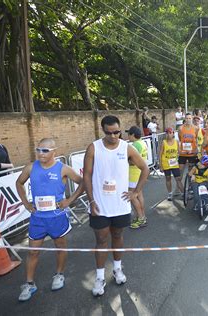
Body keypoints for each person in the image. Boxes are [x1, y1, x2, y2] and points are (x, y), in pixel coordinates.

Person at [83, 115, 149, 297]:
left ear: (121, 130)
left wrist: (135, 192)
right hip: (99, 205)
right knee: (102, 240)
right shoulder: (93, 148)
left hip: (120, 204)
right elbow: (87, 175)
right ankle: (99, 277)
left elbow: (145, 168)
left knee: (118, 235)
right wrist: (91, 200)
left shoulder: (126, 148)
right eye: (109, 133)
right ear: (102, 131)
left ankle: (117, 269)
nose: (113, 136)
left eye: (117, 132)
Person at [16, 138, 85, 301]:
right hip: (37, 218)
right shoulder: (31, 167)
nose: (41, 153)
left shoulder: (63, 169)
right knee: (33, 251)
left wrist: (69, 200)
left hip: (56, 217)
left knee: (60, 247)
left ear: (55, 151)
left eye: (45, 150)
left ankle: (59, 274)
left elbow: (82, 183)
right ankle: (29, 283)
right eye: (38, 150)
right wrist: (26, 203)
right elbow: (19, 183)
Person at [126, 126, 148, 229]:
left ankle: (140, 218)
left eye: (129, 134)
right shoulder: (143, 142)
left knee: (132, 196)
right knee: (139, 195)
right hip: (140, 173)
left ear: (133, 135)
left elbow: (131, 161)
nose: (128, 136)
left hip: (134, 174)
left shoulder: (135, 145)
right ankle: (142, 216)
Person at [159, 128, 183, 201]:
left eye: (170, 133)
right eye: (167, 133)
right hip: (166, 163)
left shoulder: (176, 142)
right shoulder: (163, 142)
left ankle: (183, 194)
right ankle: (170, 194)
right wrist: (160, 165)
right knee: (168, 178)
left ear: (173, 133)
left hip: (174, 163)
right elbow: (160, 154)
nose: (168, 134)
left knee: (178, 179)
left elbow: (179, 152)